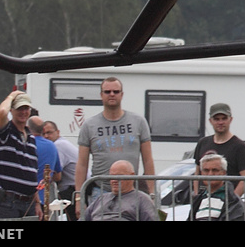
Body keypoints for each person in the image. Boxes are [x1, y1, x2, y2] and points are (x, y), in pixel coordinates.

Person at [75, 77, 155, 208]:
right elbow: (82, 164)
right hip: (100, 190)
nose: (112, 94)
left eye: (116, 91)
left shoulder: (138, 121)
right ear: (101, 95)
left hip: (131, 191)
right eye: (107, 92)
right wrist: (79, 198)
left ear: (122, 95)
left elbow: (148, 160)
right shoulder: (89, 125)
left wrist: (151, 193)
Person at [0, 89, 41, 220]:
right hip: (8, 202)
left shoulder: (30, 137)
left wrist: (37, 202)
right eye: (19, 108)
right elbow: (2, 112)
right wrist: (12, 95)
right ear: (12, 110)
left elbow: (31, 171)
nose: (23, 112)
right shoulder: (6, 132)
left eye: (26, 108)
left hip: (29, 202)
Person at [192, 102, 245, 195]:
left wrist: (230, 202)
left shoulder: (239, 146)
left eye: (224, 118)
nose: (220, 122)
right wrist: (197, 197)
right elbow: (197, 174)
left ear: (230, 120)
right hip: (204, 201)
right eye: (216, 119)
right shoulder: (203, 143)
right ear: (210, 121)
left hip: (226, 200)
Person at [80, 160, 158, 221]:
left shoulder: (142, 199)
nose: (114, 180)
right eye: (111, 176)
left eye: (119, 176)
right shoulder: (101, 199)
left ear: (132, 176)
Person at [187, 152, 245, 221]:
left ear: (224, 173)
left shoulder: (234, 202)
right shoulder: (199, 199)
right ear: (201, 173)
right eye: (206, 170)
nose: (210, 174)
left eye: (215, 170)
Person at [25, 115, 63, 214]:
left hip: (26, 198)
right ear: (43, 129)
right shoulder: (52, 146)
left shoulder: (26, 144)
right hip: (44, 199)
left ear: (28, 128)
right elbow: (58, 176)